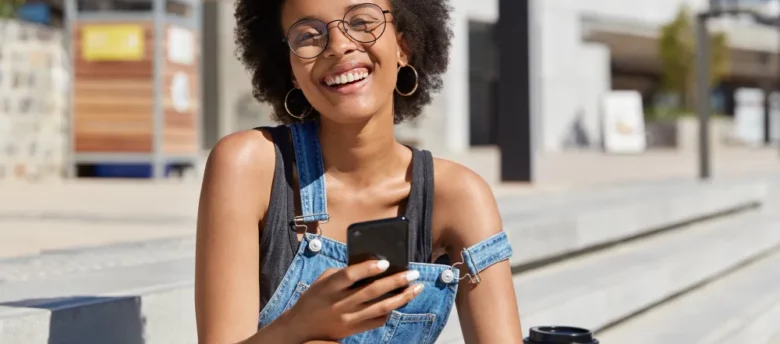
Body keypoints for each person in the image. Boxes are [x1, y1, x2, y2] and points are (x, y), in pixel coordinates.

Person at [194, 0, 523, 343]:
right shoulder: (249, 165)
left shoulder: (459, 196)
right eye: (308, 35)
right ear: (291, 68)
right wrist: (300, 325)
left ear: (403, 46)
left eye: (362, 22)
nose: (338, 45)